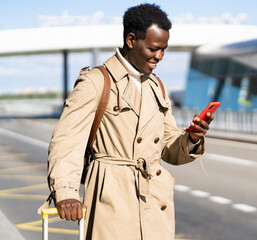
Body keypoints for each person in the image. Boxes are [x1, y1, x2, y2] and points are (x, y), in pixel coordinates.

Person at [46, 3, 213, 240]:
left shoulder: (158, 87)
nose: (160, 57)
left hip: (154, 202)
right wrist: (66, 192)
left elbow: (168, 148)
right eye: (154, 49)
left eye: (164, 49)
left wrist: (192, 138)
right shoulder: (96, 82)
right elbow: (66, 142)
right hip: (112, 198)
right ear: (132, 40)